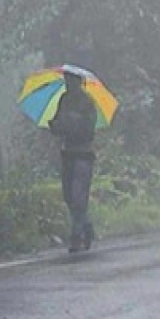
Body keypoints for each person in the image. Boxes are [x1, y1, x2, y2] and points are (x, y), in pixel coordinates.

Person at [49, 71, 98, 252]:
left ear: (79, 82)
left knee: (78, 196)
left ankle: (76, 236)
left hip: (83, 154)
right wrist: (55, 125)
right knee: (68, 196)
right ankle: (86, 227)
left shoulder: (87, 103)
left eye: (71, 80)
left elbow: (89, 130)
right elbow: (58, 121)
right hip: (67, 153)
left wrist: (73, 124)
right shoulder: (63, 100)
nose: (69, 84)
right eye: (66, 80)